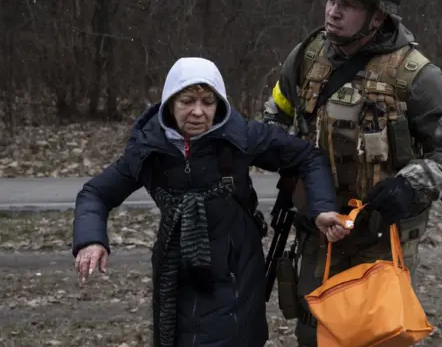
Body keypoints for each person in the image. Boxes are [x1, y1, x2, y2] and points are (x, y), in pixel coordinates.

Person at [262, 0, 442, 346]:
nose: (333, 12)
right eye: (330, 1)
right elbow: (274, 114)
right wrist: (288, 158)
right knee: (315, 337)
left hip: (379, 241)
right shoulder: (307, 57)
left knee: (372, 338)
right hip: (317, 236)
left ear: (378, 15)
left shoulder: (413, 74)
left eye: (347, 5)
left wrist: (410, 185)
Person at [72, 57, 349, 347]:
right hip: (176, 275)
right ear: (169, 103)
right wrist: (91, 240)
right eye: (187, 101)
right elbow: (96, 194)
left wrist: (321, 208)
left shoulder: (239, 136)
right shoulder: (148, 149)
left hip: (238, 272)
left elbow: (306, 156)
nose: (198, 112)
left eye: (208, 102)